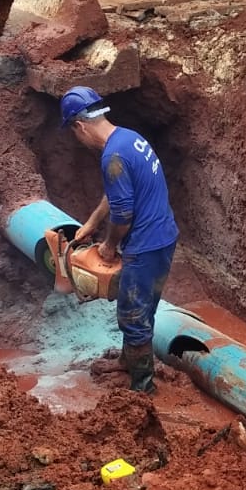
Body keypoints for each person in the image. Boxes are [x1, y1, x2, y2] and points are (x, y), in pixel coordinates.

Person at [62, 86, 178, 393]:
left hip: (146, 244)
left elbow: (123, 213)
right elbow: (116, 194)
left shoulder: (112, 156)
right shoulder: (127, 138)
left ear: (80, 125)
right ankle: (129, 363)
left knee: (133, 313)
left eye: (74, 133)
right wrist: (90, 223)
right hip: (163, 236)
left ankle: (143, 389)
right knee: (139, 306)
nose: (78, 140)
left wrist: (109, 246)